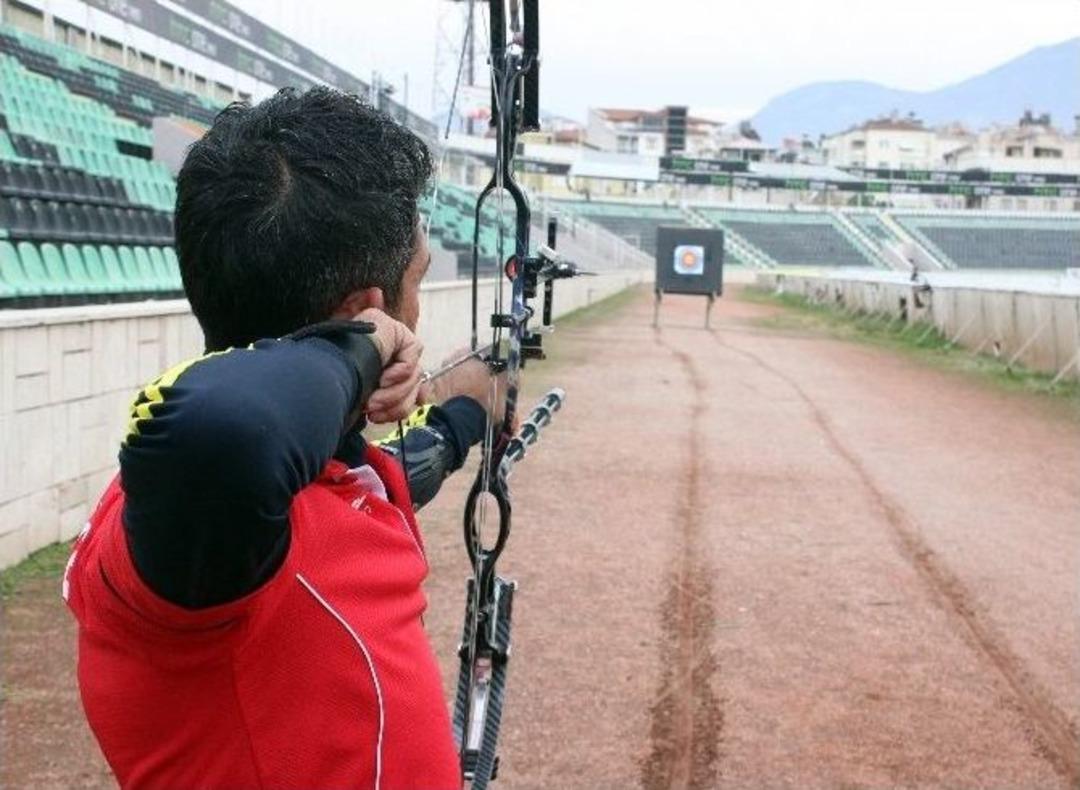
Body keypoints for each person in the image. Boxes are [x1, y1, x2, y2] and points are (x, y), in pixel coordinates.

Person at [64, 87, 497, 789]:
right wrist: (364, 348)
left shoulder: (284, 494)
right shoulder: (193, 539)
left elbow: (381, 484)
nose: (415, 311)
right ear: (364, 314)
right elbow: (232, 429)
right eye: (414, 282)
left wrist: (466, 411)